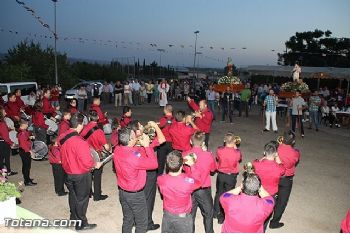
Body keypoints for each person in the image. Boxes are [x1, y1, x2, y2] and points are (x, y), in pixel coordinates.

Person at [58, 113, 102, 231]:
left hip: (68, 172)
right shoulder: (80, 142)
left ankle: (73, 217)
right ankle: (81, 223)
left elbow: (60, 148)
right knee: (82, 199)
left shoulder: (62, 136)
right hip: (80, 174)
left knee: (73, 196)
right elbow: (87, 161)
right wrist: (95, 164)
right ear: (79, 125)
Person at [113, 127, 158, 233]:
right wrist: (147, 146)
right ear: (129, 140)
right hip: (135, 195)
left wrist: (141, 146)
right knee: (142, 223)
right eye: (134, 136)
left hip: (123, 192)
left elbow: (134, 152)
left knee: (128, 219)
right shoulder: (134, 158)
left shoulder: (117, 150)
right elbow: (154, 164)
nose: (136, 137)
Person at [128, 120, 165, 231]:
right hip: (148, 172)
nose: (143, 125)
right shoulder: (146, 141)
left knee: (139, 197)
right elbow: (162, 139)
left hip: (135, 172)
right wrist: (155, 126)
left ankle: (135, 220)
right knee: (148, 198)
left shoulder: (130, 142)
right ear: (138, 130)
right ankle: (147, 223)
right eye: (140, 125)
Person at [157, 150, 201, 233]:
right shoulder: (187, 182)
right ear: (182, 166)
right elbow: (198, 182)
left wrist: (181, 161)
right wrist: (192, 165)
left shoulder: (160, 179)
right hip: (183, 218)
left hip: (167, 215)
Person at [182, 132, 217, 233]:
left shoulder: (185, 154)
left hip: (190, 188)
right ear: (203, 143)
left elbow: (184, 169)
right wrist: (207, 152)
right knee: (208, 213)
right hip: (204, 188)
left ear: (190, 141)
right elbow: (213, 169)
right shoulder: (208, 155)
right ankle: (209, 231)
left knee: (190, 214)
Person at [269, 131, 300, 229]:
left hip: (275, 176)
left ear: (282, 138)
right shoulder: (295, 153)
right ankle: (274, 222)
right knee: (282, 202)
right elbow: (295, 161)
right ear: (293, 141)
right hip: (287, 179)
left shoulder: (276, 147)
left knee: (270, 196)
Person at [253, 141, 285, 230]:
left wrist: (263, 158)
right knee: (266, 216)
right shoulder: (279, 168)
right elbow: (282, 167)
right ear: (275, 154)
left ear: (264, 152)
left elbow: (256, 162)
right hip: (270, 195)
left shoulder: (256, 164)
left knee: (255, 213)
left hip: (258, 192)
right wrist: (277, 156)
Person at [80, 110, 111, 201]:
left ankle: (89, 192)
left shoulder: (84, 128)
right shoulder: (99, 131)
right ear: (97, 118)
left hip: (86, 153)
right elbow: (106, 147)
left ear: (89, 118)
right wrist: (109, 146)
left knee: (88, 173)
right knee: (97, 175)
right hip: (97, 155)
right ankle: (97, 196)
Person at [213, 133, 242, 224]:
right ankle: (221, 216)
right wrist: (235, 147)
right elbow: (239, 159)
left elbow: (217, 158)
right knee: (228, 195)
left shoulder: (219, 149)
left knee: (219, 193)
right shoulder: (237, 152)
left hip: (221, 175)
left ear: (224, 140)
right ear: (234, 141)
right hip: (231, 176)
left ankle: (215, 212)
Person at [17, 119, 36, 186]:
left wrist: (30, 137)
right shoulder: (22, 133)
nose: (28, 125)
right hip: (25, 151)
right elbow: (23, 144)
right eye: (27, 124)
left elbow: (25, 139)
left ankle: (27, 178)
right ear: (23, 125)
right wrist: (30, 151)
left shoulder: (23, 131)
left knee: (25, 165)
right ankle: (27, 181)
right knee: (27, 166)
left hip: (23, 151)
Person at [157, 104, 174, 176]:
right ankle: (169, 175)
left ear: (165, 110)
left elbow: (159, 129)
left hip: (162, 142)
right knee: (170, 161)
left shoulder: (162, 119)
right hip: (172, 143)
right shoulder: (175, 120)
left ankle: (159, 176)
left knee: (161, 161)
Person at [0, 106, 17, 176]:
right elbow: (5, 137)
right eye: (4, 112)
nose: (6, 113)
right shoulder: (2, 123)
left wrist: (9, 129)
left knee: (1, 157)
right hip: (4, 143)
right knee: (6, 157)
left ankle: (1, 171)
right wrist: (11, 143)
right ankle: (8, 171)